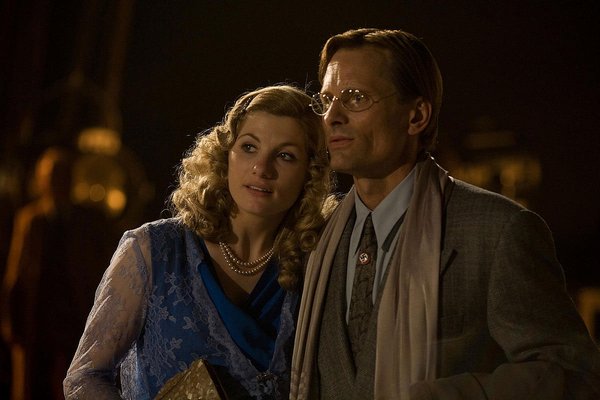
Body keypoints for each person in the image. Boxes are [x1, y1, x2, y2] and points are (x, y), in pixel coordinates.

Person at [290, 28, 600, 399]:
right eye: (326, 100)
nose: (331, 117)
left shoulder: (498, 231)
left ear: (417, 116)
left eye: (355, 98)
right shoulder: (316, 238)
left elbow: (573, 374)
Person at [63, 85, 336, 399]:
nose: (262, 168)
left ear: (309, 173)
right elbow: (84, 378)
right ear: (226, 154)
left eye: (285, 156)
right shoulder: (154, 250)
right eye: (249, 147)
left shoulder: (316, 264)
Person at [0, 147, 111, 400]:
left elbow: (100, 269)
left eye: (62, 176)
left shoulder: (88, 221)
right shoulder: (30, 221)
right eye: (52, 177)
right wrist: (11, 321)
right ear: (42, 182)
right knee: (35, 383)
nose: (57, 183)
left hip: (75, 315)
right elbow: (16, 274)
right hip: (39, 319)